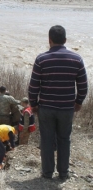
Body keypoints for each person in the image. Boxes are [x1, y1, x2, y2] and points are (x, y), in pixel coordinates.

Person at [28, 25, 88, 180]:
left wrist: (33, 104)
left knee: (47, 140)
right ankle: (63, 173)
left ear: (49, 40)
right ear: (65, 40)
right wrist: (79, 101)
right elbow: (83, 85)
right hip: (67, 107)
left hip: (46, 107)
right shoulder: (76, 59)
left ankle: (47, 173)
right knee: (64, 139)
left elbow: (34, 85)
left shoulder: (41, 59)